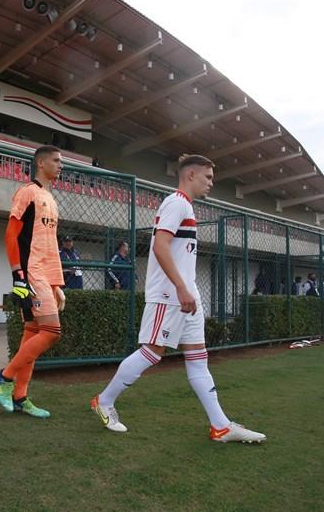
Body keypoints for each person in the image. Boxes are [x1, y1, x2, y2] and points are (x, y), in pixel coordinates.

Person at [91, 154, 266, 443]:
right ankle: (104, 401)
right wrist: (181, 288)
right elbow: (159, 246)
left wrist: (189, 289)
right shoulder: (176, 202)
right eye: (208, 177)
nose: (211, 182)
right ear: (191, 175)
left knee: (198, 359)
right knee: (152, 352)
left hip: (186, 296)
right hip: (169, 295)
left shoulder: (186, 207)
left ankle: (220, 426)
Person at [0, 145, 66, 419]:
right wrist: (18, 276)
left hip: (45, 275)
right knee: (51, 332)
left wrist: (56, 284)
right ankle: (4, 376)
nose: (61, 166)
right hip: (30, 273)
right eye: (57, 161)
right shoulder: (27, 193)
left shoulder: (50, 198)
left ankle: (20, 397)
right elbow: (11, 236)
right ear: (41, 163)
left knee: (33, 334)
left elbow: (50, 245)